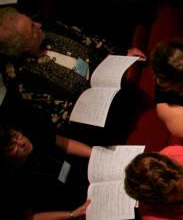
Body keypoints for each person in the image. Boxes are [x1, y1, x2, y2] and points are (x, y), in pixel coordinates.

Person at [0, 7, 144, 131]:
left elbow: (87, 38)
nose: (38, 24)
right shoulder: (23, 82)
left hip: (115, 78)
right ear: (24, 47)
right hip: (103, 118)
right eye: (32, 28)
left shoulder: (47, 26)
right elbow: (65, 118)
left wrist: (121, 53)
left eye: (31, 21)